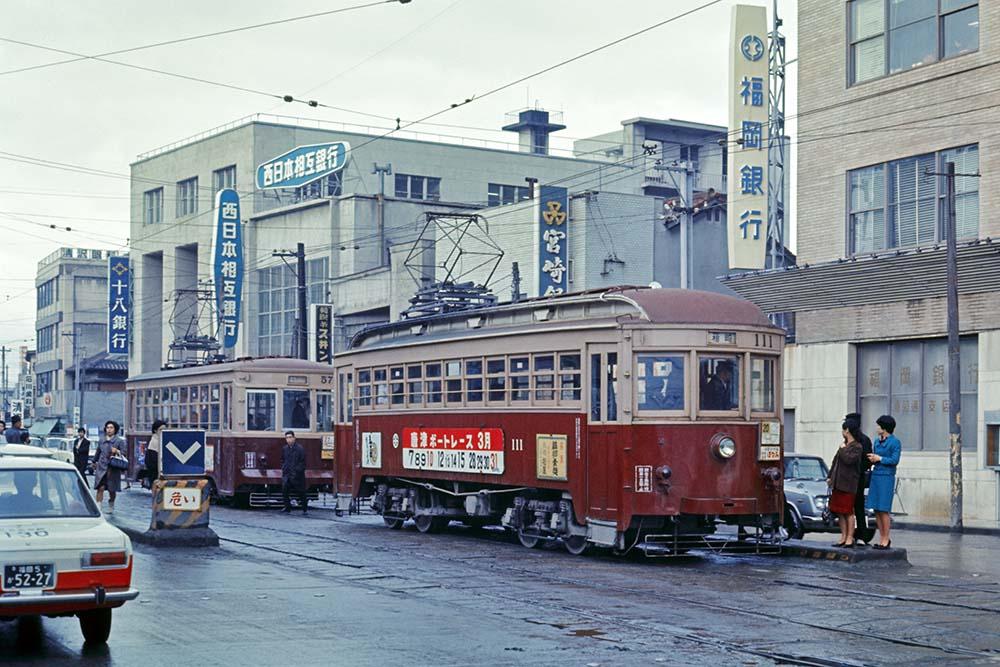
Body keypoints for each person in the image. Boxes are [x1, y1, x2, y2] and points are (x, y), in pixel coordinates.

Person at [867, 415, 901, 550]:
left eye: (879, 426)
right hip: (876, 475)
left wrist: (879, 458)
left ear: (885, 428)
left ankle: (886, 538)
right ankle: (881, 537)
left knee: (884, 508)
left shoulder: (895, 442)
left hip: (886, 477)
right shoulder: (876, 441)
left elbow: (894, 460)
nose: (877, 428)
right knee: (876, 508)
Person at [828, 420, 863, 547]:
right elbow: (835, 462)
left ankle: (849, 537)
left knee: (848, 511)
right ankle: (843, 536)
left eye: (843, 430)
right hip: (838, 483)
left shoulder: (857, 446)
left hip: (848, 484)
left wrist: (842, 450)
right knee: (839, 511)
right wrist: (830, 476)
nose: (842, 432)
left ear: (847, 430)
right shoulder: (844, 445)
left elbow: (849, 460)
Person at [845, 412, 875, 545]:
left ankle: (860, 534)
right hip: (850, 477)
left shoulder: (863, 440)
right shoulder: (849, 440)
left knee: (857, 506)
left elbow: (868, 460)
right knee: (851, 507)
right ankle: (849, 535)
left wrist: (858, 469)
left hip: (857, 477)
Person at [93, 420, 125, 514]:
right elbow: (98, 452)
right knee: (100, 487)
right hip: (102, 466)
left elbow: (124, 454)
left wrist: (118, 451)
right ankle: (98, 507)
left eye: (111, 428)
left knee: (112, 489)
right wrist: (94, 461)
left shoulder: (119, 441)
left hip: (113, 468)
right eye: (107, 427)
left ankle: (111, 504)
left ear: (115, 430)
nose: (109, 430)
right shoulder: (102, 440)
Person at [281, 430, 307, 514]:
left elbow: (302, 462)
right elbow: (282, 460)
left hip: (297, 475)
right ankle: (287, 507)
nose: (288, 439)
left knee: (301, 492)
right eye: (287, 438)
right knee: (285, 491)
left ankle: (304, 508)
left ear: (294, 438)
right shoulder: (285, 449)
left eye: (290, 437)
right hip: (287, 474)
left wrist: (296, 471)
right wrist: (284, 468)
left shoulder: (300, 449)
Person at [144, 419, 167, 486]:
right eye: (161, 429)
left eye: (164, 429)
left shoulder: (163, 439)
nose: (163, 431)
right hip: (155, 473)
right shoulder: (154, 441)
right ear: (155, 430)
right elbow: (151, 461)